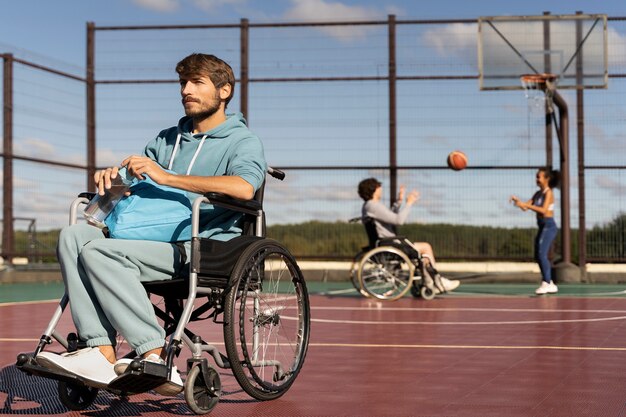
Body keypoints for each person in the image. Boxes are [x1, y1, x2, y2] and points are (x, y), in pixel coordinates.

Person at [36, 53, 267, 395]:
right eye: (183, 83)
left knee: (101, 253)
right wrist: (112, 179)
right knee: (73, 235)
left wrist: (170, 178)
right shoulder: (165, 139)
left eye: (197, 83)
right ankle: (98, 348)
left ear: (224, 91)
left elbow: (245, 187)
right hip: (145, 237)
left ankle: (154, 354)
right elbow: (137, 185)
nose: (186, 90)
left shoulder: (242, 141)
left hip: (200, 245)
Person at [357, 178, 460, 293]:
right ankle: (436, 281)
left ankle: (430, 281)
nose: (381, 189)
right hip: (389, 244)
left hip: (384, 243)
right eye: (378, 187)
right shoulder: (373, 206)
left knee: (423, 250)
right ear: (374, 190)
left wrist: (399, 202)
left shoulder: (369, 206)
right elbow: (398, 220)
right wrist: (409, 203)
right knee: (425, 248)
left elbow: (388, 217)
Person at [510, 168, 560, 295]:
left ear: (547, 178)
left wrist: (527, 206)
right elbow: (525, 208)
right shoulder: (537, 194)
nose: (537, 179)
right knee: (538, 255)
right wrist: (518, 202)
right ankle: (551, 283)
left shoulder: (549, 193)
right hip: (542, 227)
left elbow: (543, 210)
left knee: (542, 254)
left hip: (549, 226)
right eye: (536, 177)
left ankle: (546, 282)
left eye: (539, 177)